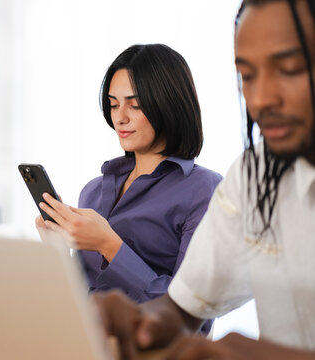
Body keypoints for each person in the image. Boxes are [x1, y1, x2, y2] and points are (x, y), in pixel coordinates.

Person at [94, 0, 315, 358]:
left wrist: (253, 354)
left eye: (288, 69)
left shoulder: (200, 187)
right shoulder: (253, 175)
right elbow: (180, 307)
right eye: (247, 75)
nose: (260, 99)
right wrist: (138, 323)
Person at [36, 43, 222, 332]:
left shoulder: (203, 190)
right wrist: (56, 249)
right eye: (113, 104)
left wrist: (108, 245)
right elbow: (75, 298)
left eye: (134, 105)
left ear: (168, 104)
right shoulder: (94, 191)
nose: (119, 117)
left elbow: (193, 319)